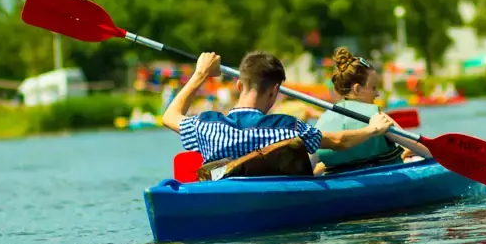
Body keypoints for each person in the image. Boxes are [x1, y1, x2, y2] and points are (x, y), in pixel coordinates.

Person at [161, 50, 395, 178]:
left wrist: (200, 74)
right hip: (273, 204)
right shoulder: (289, 128)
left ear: (239, 86)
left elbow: (169, 116)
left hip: (222, 197)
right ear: (275, 91)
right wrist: (372, 128)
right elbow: (338, 141)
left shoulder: (207, 126)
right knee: (319, 168)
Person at [313, 48, 433, 175]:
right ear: (357, 89)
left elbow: (307, 171)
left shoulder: (322, 122)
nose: (377, 93)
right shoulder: (377, 118)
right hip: (385, 181)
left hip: (339, 186)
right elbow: (426, 152)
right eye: (373, 87)